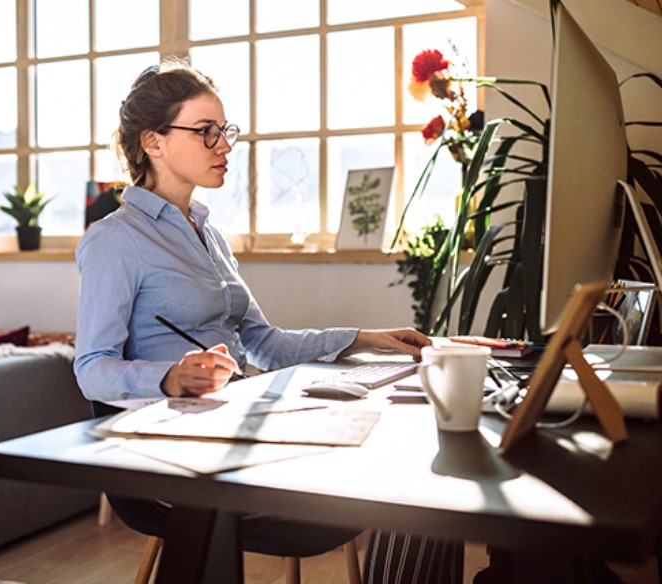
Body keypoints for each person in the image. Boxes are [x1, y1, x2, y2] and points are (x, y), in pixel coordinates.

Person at [73, 57, 461, 575]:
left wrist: (366, 338)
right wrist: (167, 376)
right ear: (153, 142)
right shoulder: (116, 239)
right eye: (206, 132)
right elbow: (90, 367)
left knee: (410, 459)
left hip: (231, 427)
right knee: (394, 481)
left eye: (225, 131)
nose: (225, 146)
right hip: (168, 462)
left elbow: (262, 342)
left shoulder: (208, 234)